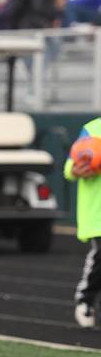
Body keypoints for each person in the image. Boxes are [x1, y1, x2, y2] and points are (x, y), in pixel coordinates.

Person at [64, 117, 101, 328]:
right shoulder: (93, 129)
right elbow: (71, 164)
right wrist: (75, 170)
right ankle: (85, 299)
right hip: (98, 213)